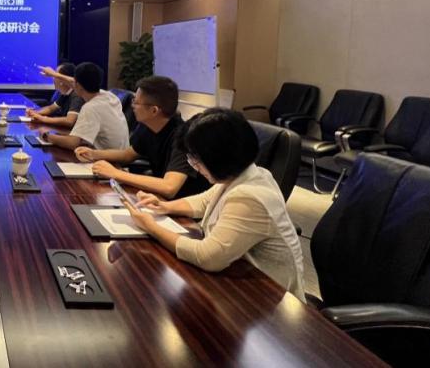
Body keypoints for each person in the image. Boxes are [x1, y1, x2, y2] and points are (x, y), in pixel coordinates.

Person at [123, 108, 305, 301]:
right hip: (241, 279)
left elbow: (208, 257)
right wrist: (164, 206)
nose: (194, 166)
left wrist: (151, 227)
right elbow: (205, 201)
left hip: (270, 298)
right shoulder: (245, 174)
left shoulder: (250, 196)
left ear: (217, 158)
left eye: (195, 159)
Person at [75, 76, 210, 199]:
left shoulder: (183, 137)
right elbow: (127, 155)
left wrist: (115, 173)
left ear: (154, 110)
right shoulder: (148, 126)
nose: (132, 106)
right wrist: (93, 154)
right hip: (160, 200)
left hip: (183, 207)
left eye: (136, 102)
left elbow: (169, 187)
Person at [42, 62, 128, 151]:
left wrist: (47, 136)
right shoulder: (109, 96)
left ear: (77, 85)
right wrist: (54, 74)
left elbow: (72, 143)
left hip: (107, 157)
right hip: (120, 153)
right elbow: (72, 82)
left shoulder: (91, 108)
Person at [26, 62, 83, 128]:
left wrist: (42, 119)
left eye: (55, 76)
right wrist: (35, 113)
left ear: (62, 80)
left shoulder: (77, 95)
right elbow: (51, 109)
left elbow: (69, 121)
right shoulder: (65, 93)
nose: (53, 78)